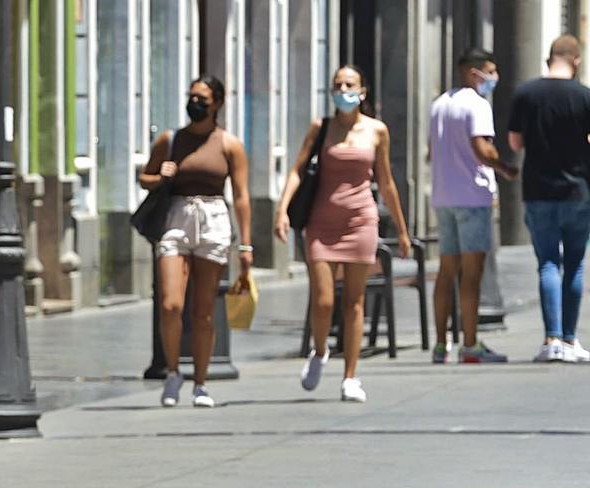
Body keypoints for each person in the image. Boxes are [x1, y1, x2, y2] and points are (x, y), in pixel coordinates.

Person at [274, 65, 413, 403]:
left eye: (349, 84)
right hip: (321, 223)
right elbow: (297, 169)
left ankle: (350, 375)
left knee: (354, 302)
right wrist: (282, 210)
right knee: (323, 300)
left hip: (360, 221)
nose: (343, 90)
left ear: (362, 91)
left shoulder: (376, 131)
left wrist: (403, 230)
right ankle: (320, 351)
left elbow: (386, 181)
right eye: (337, 85)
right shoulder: (321, 128)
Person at [139, 75, 252, 408]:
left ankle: (200, 383)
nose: (195, 103)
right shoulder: (170, 140)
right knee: (170, 304)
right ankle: (173, 372)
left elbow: (242, 196)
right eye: (191, 97)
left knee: (204, 311)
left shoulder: (229, 145)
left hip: (214, 219)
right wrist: (161, 177)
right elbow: (145, 177)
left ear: (217, 102)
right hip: (176, 218)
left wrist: (245, 244)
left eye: (202, 98)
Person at [428, 48, 518, 363]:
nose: (494, 78)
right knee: (472, 273)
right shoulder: (477, 105)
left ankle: (440, 345)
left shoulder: (439, 104)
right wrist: (505, 168)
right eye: (490, 71)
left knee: (446, 271)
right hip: (472, 196)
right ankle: (469, 344)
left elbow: (432, 151)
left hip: (443, 197)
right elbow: (482, 147)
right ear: (473, 73)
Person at [507, 35, 590, 363]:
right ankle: (570, 340)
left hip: (538, 190)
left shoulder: (526, 93)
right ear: (577, 60)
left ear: (549, 58)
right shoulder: (585, 97)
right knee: (574, 265)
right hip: (578, 192)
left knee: (547, 263)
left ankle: (550, 339)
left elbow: (514, 143)